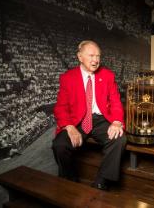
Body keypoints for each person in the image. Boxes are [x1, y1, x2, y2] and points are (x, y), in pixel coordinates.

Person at [52, 40, 126, 191]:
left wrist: (117, 122)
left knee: (119, 139)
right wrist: (69, 126)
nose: (96, 60)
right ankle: (70, 181)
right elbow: (61, 107)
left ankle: (101, 182)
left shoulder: (107, 76)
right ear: (80, 57)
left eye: (98, 56)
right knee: (59, 145)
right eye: (91, 55)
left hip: (100, 120)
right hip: (77, 121)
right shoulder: (67, 78)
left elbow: (116, 102)